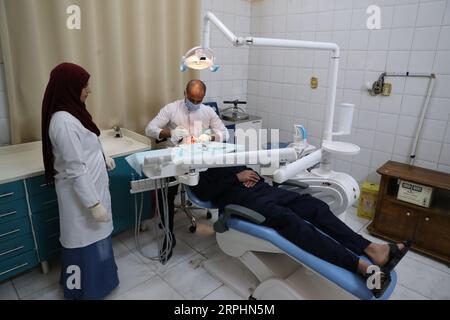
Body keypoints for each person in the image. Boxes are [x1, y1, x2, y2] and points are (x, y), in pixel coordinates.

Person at [191, 166, 411, 297]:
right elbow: (204, 193)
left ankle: (371, 249)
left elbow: (250, 169)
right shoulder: (194, 166)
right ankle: (360, 267)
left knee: (315, 206)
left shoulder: (226, 149)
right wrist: (237, 178)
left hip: (263, 190)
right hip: (243, 202)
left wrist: (251, 175)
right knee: (292, 223)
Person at [41, 62, 119, 299]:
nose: (89, 91)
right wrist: (93, 204)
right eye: (85, 86)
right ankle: (85, 290)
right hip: (80, 199)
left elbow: (86, 144)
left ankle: (105, 281)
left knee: (99, 237)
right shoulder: (63, 122)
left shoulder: (74, 113)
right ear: (70, 88)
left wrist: (103, 157)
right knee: (83, 242)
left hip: (93, 187)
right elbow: (74, 169)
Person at [145, 79, 229, 262]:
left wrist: (211, 135)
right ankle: (168, 236)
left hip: (200, 159)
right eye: (192, 99)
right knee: (165, 193)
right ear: (185, 93)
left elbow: (225, 133)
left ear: (203, 98)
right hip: (175, 158)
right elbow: (150, 129)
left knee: (225, 178)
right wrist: (170, 133)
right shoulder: (171, 109)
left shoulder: (207, 111)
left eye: (199, 100)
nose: (195, 104)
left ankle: (224, 227)